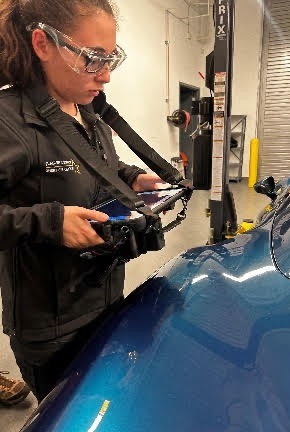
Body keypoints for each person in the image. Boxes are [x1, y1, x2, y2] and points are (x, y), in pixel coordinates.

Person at [0, 0, 163, 403]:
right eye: (92, 59)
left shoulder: (87, 112)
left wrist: (130, 177)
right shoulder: (9, 121)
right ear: (42, 44)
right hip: (53, 330)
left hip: (106, 303)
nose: (105, 75)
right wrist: (48, 222)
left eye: (110, 59)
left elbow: (93, 165)